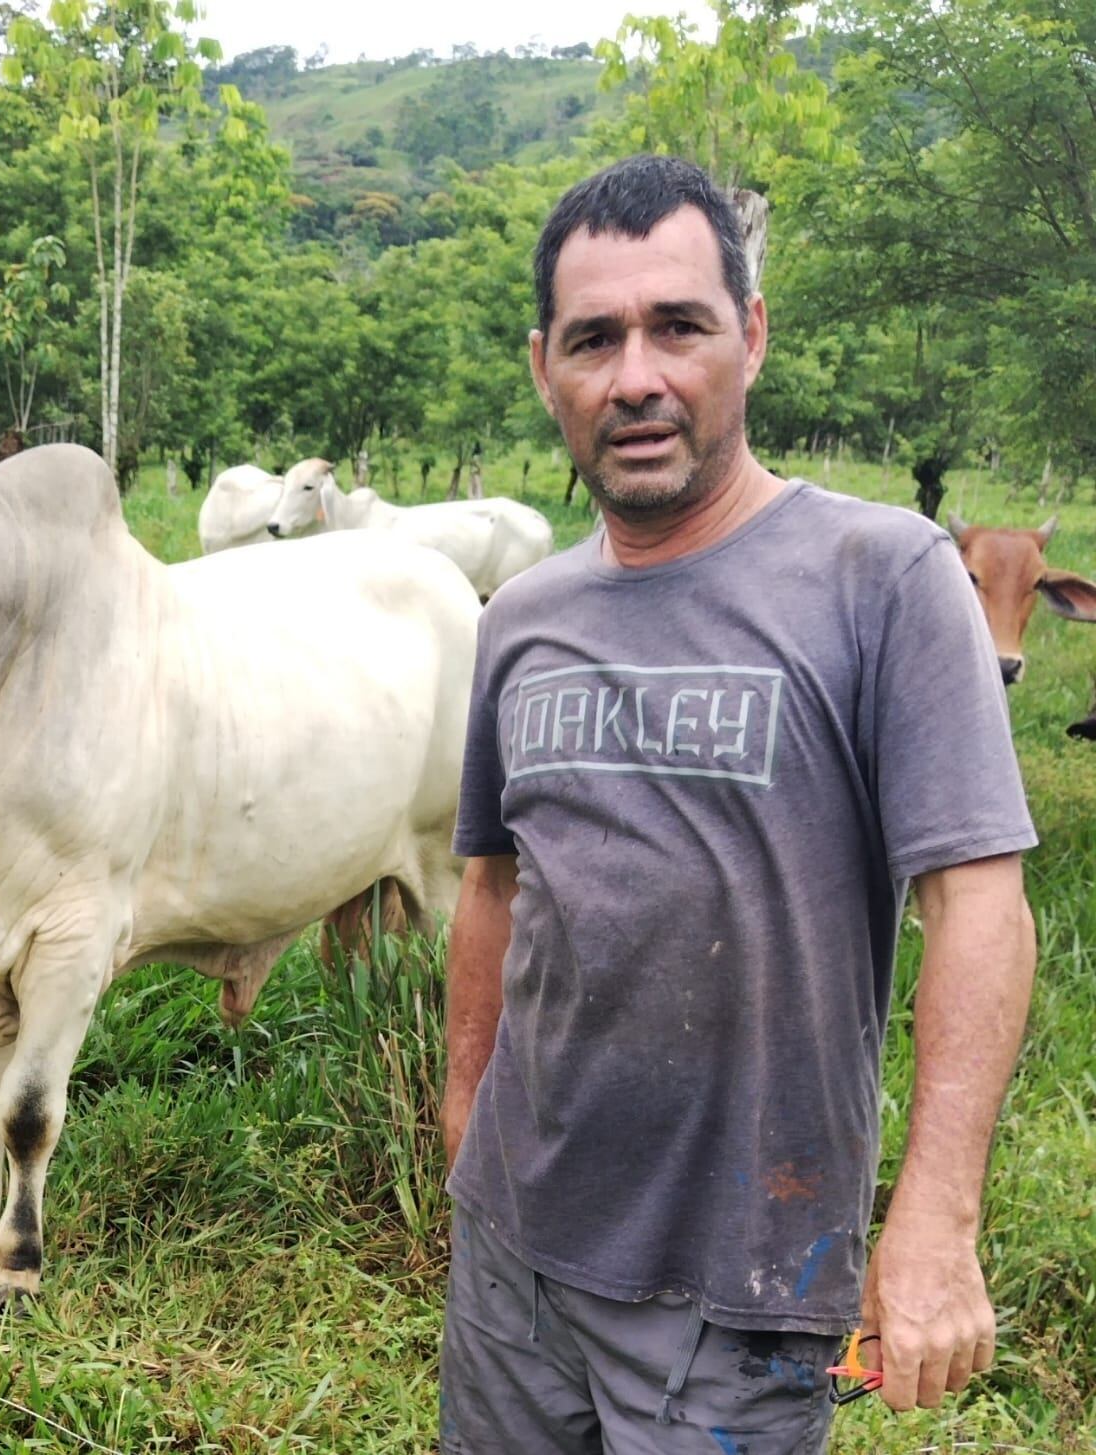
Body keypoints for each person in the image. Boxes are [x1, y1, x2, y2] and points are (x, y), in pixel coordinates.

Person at [438, 154, 1038, 1454]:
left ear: (751, 337)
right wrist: (461, 1112)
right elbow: (490, 884)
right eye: (595, 337)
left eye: (680, 326)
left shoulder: (881, 580)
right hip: (510, 1265)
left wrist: (937, 1217)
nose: (636, 375)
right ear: (547, 367)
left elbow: (978, 899)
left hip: (744, 1288)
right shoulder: (523, 622)